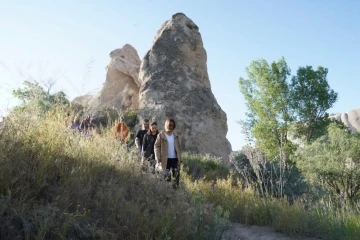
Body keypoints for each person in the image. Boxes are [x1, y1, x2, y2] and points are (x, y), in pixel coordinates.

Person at [154, 118, 183, 187]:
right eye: (169, 125)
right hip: (165, 159)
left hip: (175, 159)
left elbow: (179, 148)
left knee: (176, 177)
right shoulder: (161, 135)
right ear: (166, 125)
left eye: (172, 125)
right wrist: (158, 157)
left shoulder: (176, 135)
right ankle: (167, 192)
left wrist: (180, 159)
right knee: (167, 177)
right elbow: (156, 146)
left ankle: (175, 192)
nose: (171, 126)